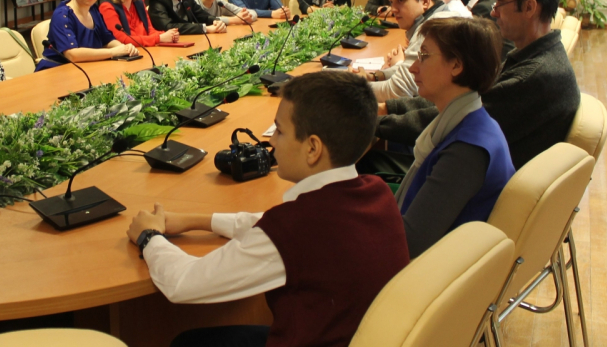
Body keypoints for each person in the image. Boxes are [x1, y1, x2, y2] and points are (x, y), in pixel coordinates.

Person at [126, 71, 409, 347]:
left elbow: (183, 284)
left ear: (313, 148)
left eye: (280, 131)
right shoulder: (375, 191)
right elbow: (271, 226)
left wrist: (150, 237)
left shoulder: (296, 228)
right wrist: (195, 221)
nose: (271, 142)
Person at [376, 0, 581, 170]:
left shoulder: (534, 76)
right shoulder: (535, 56)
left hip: (473, 182)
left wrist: (374, 120)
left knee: (371, 163)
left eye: (500, 2)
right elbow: (459, 99)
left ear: (529, 7)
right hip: (471, 164)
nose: (493, 11)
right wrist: (388, 109)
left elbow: (454, 117)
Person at [397, 17, 515, 258]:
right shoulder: (471, 121)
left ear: (457, 65)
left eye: (424, 56)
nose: (413, 67)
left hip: (430, 278)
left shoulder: (466, 151)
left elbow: (410, 244)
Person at [353, 0, 464, 102]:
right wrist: (376, 76)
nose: (393, 9)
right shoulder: (442, 16)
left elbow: (398, 91)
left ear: (425, 1)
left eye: (400, 0)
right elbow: (413, 69)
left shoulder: (431, 29)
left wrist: (354, 86)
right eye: (391, 1)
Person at [36, 0, 137, 71]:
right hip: (57, 71)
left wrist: (124, 48)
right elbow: (72, 54)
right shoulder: (62, 15)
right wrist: (112, 52)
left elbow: (107, 39)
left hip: (87, 68)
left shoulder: (94, 10)